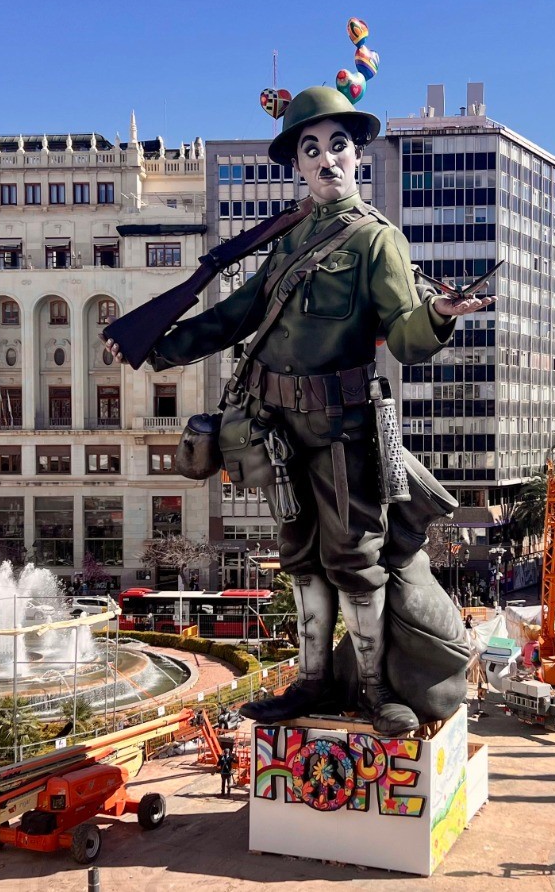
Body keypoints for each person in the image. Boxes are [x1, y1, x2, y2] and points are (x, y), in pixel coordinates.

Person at [114, 86, 483, 736]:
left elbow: (404, 336)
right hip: (277, 431)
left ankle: (375, 691)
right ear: (297, 164)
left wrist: (438, 315)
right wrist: (157, 347)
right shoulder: (291, 236)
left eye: (337, 145)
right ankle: (311, 683)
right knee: (301, 559)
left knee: (356, 563)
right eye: (311, 149)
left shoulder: (377, 241)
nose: (325, 159)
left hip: (345, 431)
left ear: (357, 154)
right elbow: (238, 314)